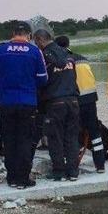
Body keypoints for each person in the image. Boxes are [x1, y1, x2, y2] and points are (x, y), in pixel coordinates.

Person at [0, 21, 48, 189]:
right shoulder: (34, 51)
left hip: (6, 102)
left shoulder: (1, 50)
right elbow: (43, 78)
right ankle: (23, 178)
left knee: (9, 139)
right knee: (25, 140)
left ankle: (11, 177)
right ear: (28, 36)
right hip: (27, 102)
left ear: (12, 34)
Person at [33, 29, 81, 181]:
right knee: (72, 137)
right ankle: (73, 171)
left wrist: (38, 104)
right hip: (73, 100)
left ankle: (59, 171)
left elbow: (41, 82)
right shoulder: (68, 54)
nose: (36, 45)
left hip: (55, 102)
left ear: (40, 40)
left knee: (55, 138)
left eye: (36, 42)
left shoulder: (44, 56)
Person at [58, 35, 106, 173]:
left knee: (74, 132)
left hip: (75, 99)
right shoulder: (83, 58)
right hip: (90, 98)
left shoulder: (62, 60)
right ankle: (100, 165)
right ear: (68, 44)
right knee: (94, 132)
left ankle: (73, 164)